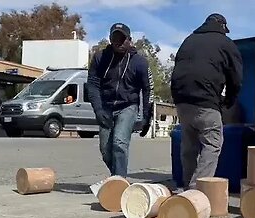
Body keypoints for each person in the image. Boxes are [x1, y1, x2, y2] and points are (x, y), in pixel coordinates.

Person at [171, 13, 243, 190]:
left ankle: (187, 185)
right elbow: (236, 77)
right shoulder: (226, 43)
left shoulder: (189, 40)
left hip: (182, 101)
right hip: (206, 101)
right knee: (212, 145)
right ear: (222, 27)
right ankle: (197, 191)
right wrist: (229, 100)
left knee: (189, 146)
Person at [87, 22, 154, 177]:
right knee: (105, 150)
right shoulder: (100, 58)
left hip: (128, 106)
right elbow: (92, 84)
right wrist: (98, 109)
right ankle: (116, 178)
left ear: (129, 40)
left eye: (122, 38)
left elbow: (148, 89)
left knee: (119, 143)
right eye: (115, 38)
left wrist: (146, 117)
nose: (119, 42)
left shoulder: (140, 63)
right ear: (110, 40)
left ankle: (120, 183)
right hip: (106, 107)